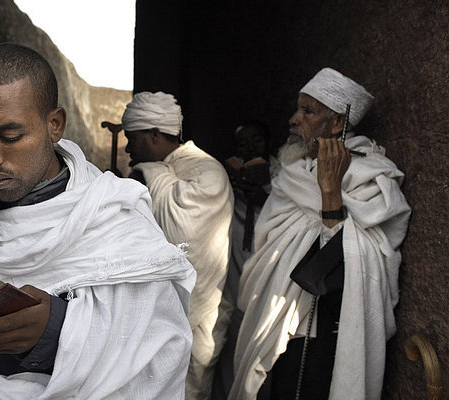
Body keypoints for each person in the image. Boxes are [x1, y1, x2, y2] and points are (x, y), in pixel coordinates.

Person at [0, 43, 196, 400]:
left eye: (10, 137)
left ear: (54, 125)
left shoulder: (115, 217)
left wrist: (56, 331)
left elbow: (162, 349)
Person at [229, 68, 411, 400]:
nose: (293, 120)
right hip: (275, 320)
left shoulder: (370, 178)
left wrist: (330, 195)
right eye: (298, 109)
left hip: (328, 329)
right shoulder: (292, 175)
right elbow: (269, 244)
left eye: (307, 111)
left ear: (338, 123)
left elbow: (367, 262)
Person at [121, 91, 234, 400]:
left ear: (155, 134)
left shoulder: (206, 171)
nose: (129, 148)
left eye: (133, 138)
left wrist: (149, 175)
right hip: (151, 316)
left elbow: (185, 234)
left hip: (198, 317)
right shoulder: (160, 172)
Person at [213, 121, 272, 399]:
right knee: (232, 338)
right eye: (242, 144)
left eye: (256, 141)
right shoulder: (226, 181)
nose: (249, 149)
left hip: (265, 272)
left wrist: (264, 195)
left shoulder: (284, 179)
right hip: (233, 268)